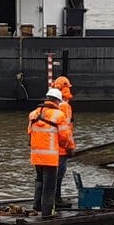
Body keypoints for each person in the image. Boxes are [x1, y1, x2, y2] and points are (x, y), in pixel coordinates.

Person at [28, 87, 75, 217]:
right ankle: (47, 213)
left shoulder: (33, 114)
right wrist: (70, 149)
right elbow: (65, 136)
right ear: (57, 101)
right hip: (50, 157)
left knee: (39, 180)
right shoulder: (58, 115)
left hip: (36, 156)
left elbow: (29, 133)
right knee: (49, 186)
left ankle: (36, 206)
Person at [51, 76, 75, 208]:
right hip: (62, 147)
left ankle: (49, 200)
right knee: (58, 176)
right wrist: (70, 147)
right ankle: (57, 200)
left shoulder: (52, 105)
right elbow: (65, 129)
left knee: (50, 176)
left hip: (52, 146)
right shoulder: (65, 106)